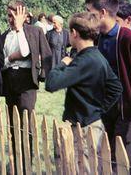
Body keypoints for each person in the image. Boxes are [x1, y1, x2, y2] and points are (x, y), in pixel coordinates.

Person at [45, 12, 123, 174]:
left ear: (74, 33)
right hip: (92, 122)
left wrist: (63, 63)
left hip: (84, 127)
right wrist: (99, 109)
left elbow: (51, 84)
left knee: (83, 170)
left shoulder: (83, 61)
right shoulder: (97, 56)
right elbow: (116, 87)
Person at [85, 0, 131, 167]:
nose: (88, 17)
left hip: (127, 112)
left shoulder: (129, 39)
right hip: (105, 109)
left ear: (102, 13)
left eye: (90, 13)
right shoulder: (98, 39)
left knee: (125, 163)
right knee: (107, 161)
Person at [2, 0, 52, 116]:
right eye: (9, 15)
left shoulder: (35, 31)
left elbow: (31, 52)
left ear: (24, 16)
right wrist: (10, 58)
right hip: (10, 78)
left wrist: (44, 75)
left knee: (26, 115)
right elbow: (3, 60)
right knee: (12, 117)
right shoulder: (5, 35)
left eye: (15, 16)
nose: (11, 19)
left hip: (27, 79)